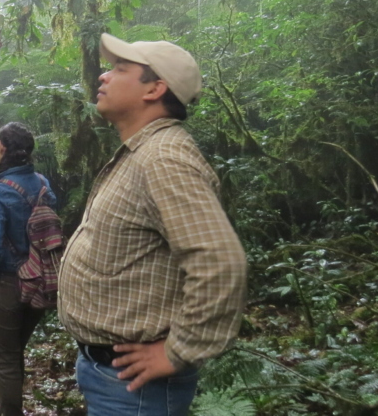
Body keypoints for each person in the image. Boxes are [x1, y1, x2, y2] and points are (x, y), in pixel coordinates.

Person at [57, 33, 247, 415]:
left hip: (134, 387)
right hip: (112, 376)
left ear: (156, 88)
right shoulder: (143, 152)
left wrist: (179, 352)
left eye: (120, 69)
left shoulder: (163, 158)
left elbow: (221, 261)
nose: (104, 77)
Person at [0, 123, 56, 416]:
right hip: (41, 280)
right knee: (16, 349)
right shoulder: (43, 183)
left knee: (8, 357)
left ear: (0, 146)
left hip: (8, 283)